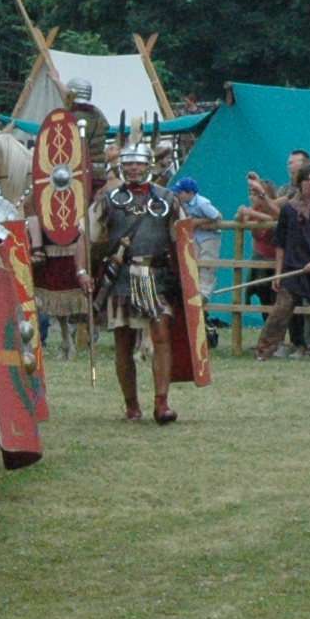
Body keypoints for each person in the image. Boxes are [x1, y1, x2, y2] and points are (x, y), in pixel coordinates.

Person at [89, 142, 187, 422]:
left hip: (156, 277)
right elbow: (89, 238)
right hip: (121, 277)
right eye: (129, 163)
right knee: (123, 342)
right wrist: (85, 272)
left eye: (139, 163)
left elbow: (181, 239)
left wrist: (186, 280)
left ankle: (162, 403)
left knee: (161, 337)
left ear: (149, 166)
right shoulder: (107, 200)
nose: (134, 168)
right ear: (122, 166)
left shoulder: (168, 198)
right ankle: (131, 405)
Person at [258, 162, 310, 360]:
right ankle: (265, 350)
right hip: (293, 269)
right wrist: (278, 273)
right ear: (300, 183)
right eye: (307, 180)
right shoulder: (289, 210)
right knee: (279, 313)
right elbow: (280, 244)